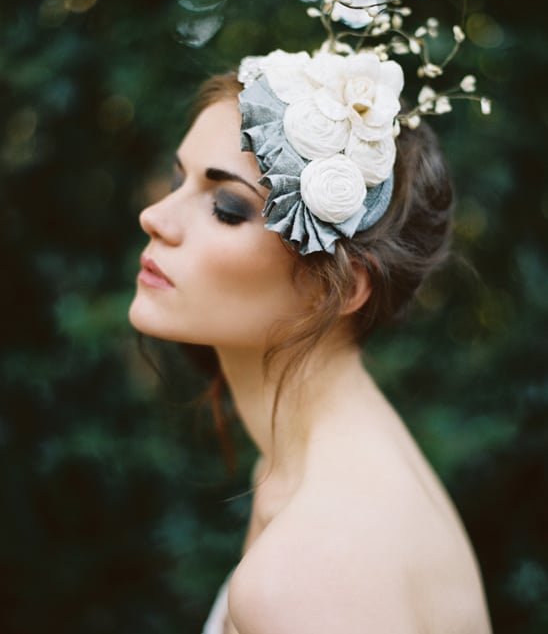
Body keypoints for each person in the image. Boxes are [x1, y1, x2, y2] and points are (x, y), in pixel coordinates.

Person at [129, 44, 493, 633]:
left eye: (226, 207)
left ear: (345, 287)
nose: (155, 217)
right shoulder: (307, 475)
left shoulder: (307, 577)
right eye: (178, 179)